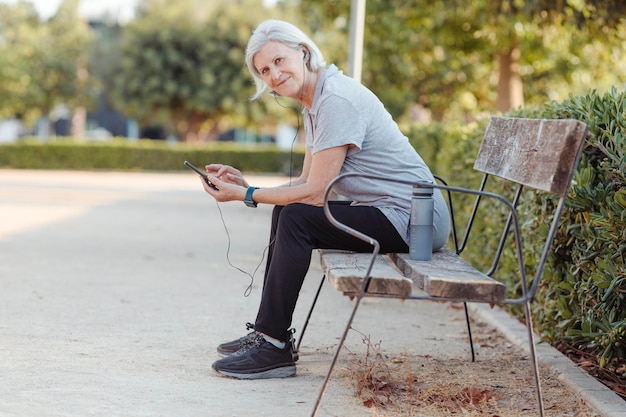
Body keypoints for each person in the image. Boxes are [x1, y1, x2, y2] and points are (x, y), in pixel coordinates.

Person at [200, 19, 450, 379]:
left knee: (298, 217)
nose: (273, 74)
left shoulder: (335, 100)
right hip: (396, 212)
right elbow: (306, 183)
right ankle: (268, 334)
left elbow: (317, 193)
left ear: (303, 53)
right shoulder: (316, 101)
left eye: (279, 61)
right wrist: (247, 186)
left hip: (416, 220)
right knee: (290, 210)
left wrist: (247, 195)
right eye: (264, 70)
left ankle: (272, 346)